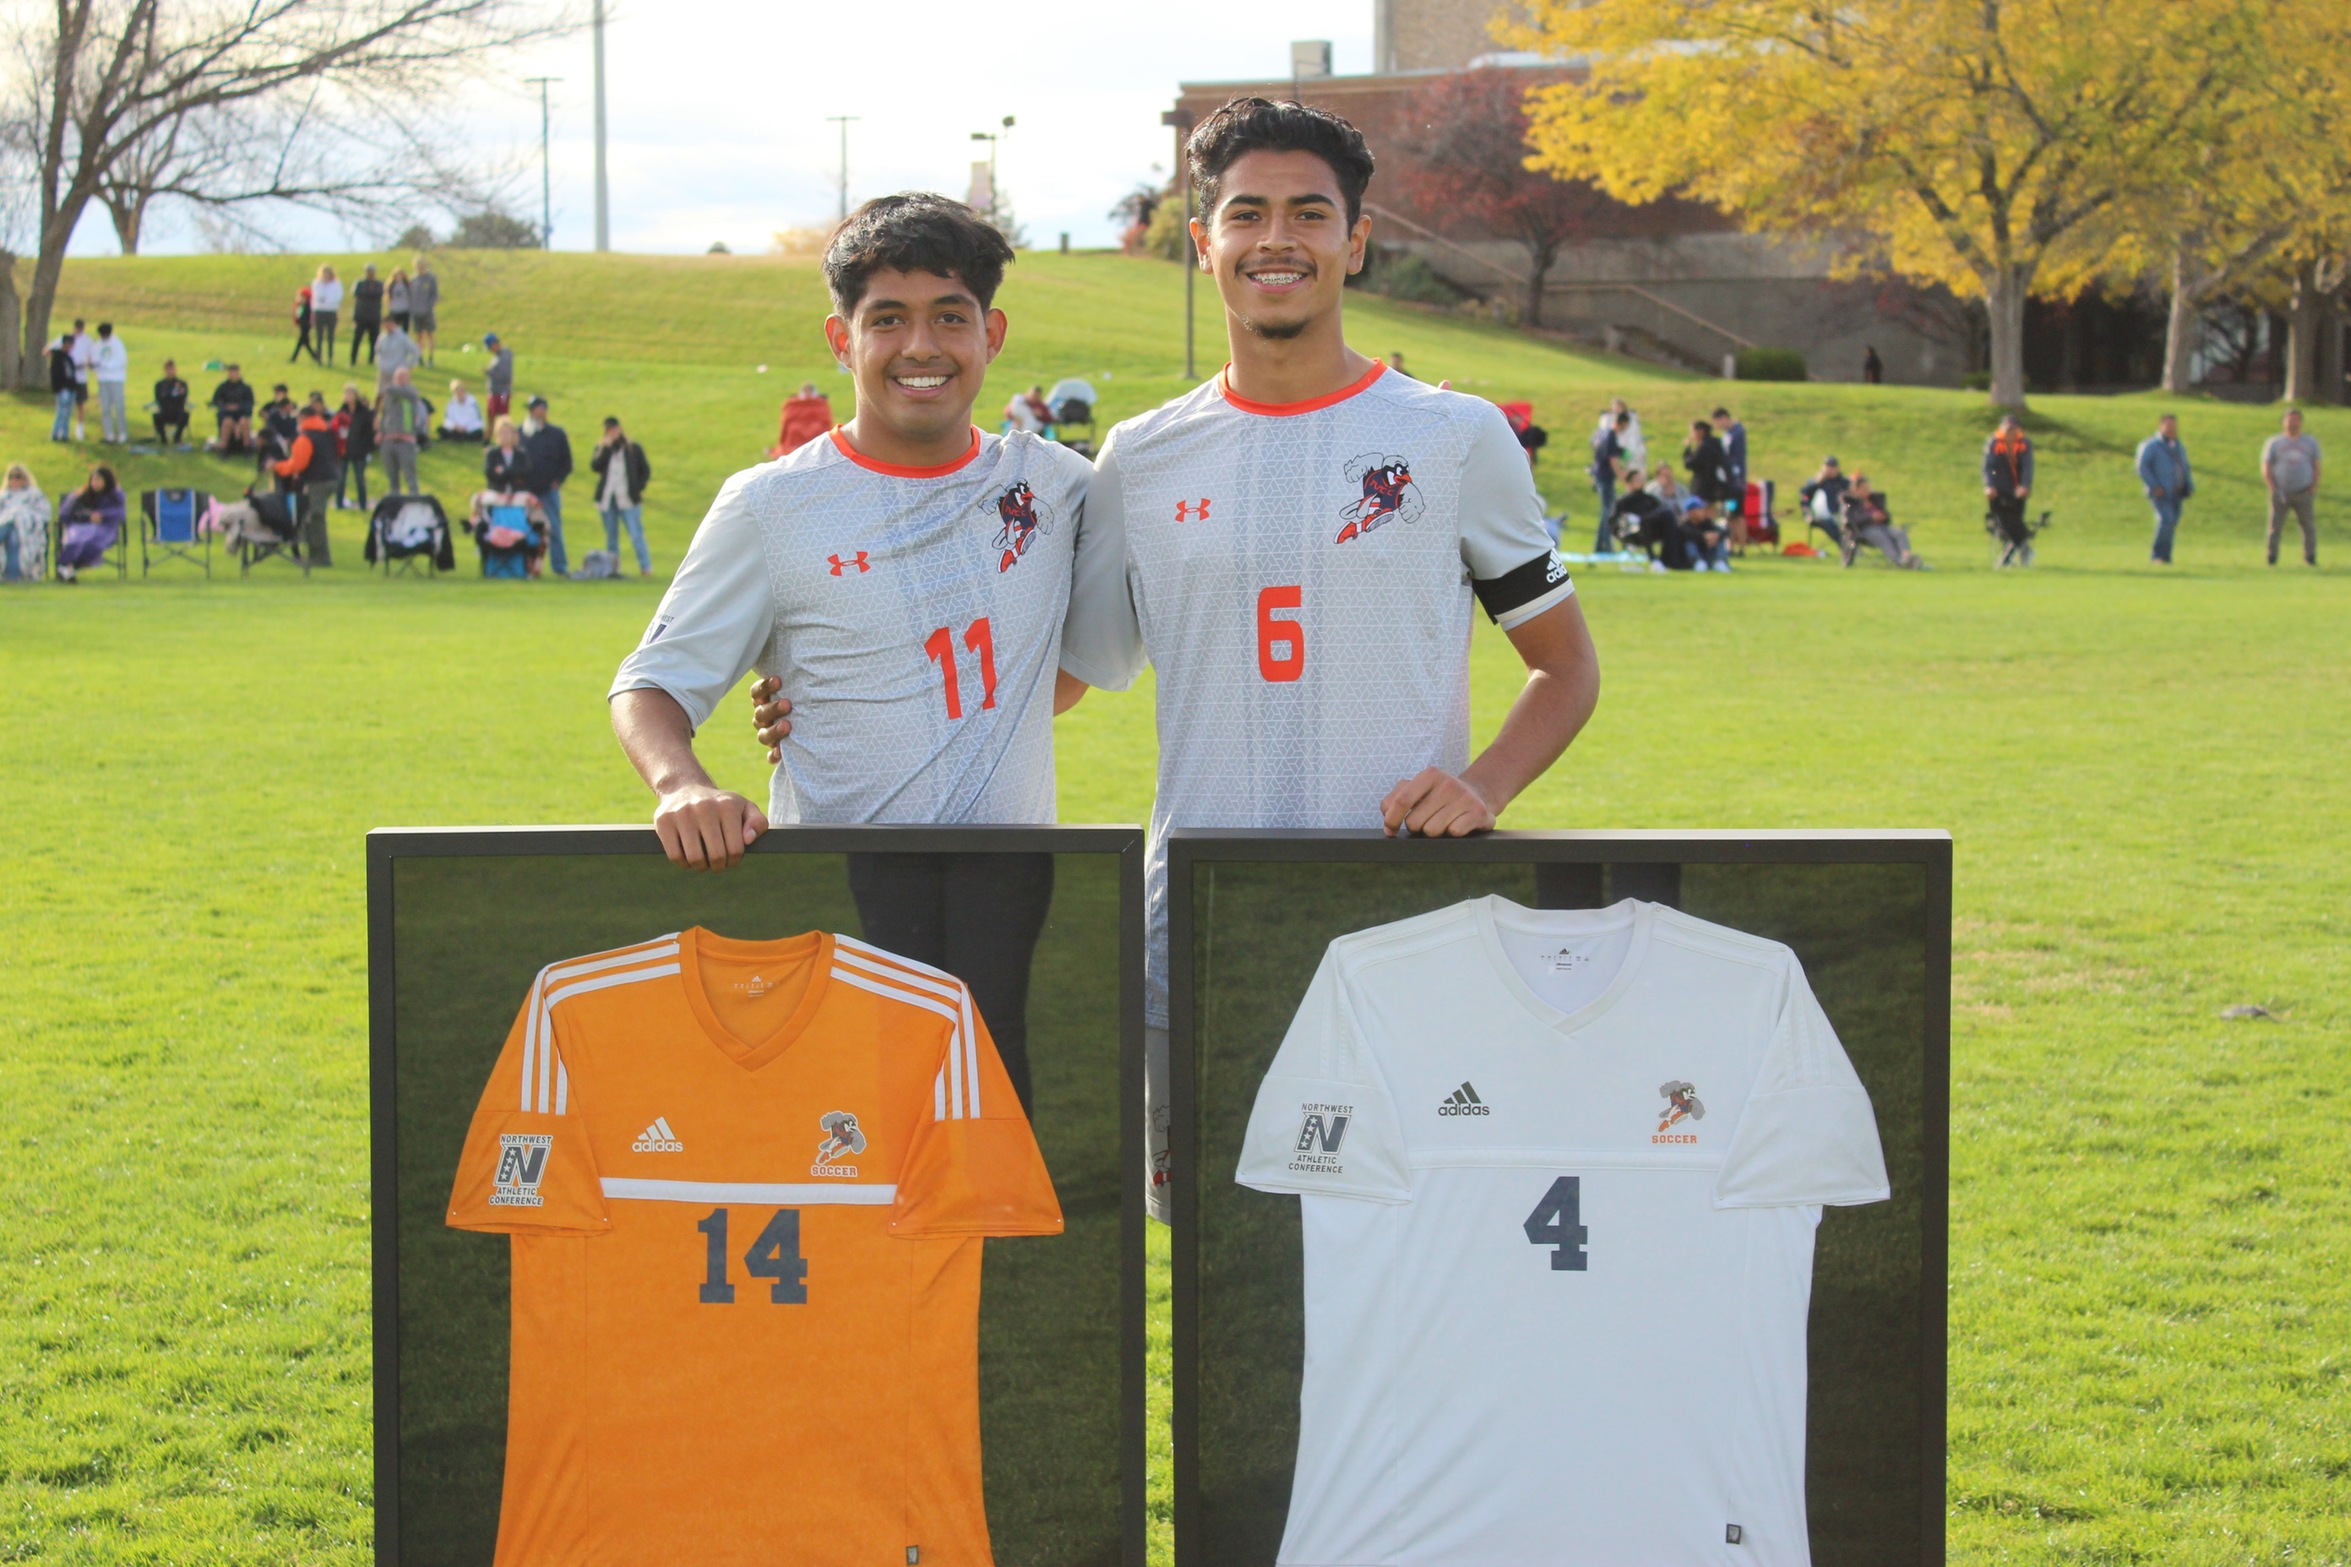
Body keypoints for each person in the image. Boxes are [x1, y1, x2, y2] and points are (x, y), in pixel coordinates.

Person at [1043, 97, 1597, 1215]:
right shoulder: (1139, 459)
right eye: (1244, 214)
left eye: (1309, 212)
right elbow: (1061, 673)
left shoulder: (1452, 438)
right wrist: (839, 706)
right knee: (1210, 1266)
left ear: (1358, 239)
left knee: (1403, 1247)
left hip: (1398, 922)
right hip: (1188, 932)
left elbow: (1564, 666)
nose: (1275, 239)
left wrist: (1481, 783)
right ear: (1202, 244)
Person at [612, 191, 1098, 1120]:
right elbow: (652, 684)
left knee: (989, 1144)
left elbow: (1065, 666)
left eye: (949, 317)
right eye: (887, 319)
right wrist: (681, 785)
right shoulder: (769, 505)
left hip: (1005, 882)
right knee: (843, 1147)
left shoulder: (1058, 487)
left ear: (990, 334)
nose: (921, 346)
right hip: (838, 889)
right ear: (842, 340)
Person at [272, 392, 342, 565]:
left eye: (298, 419)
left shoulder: (306, 437)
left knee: (313, 518)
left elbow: (297, 465)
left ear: (303, 418)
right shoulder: (326, 433)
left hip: (318, 481)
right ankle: (320, 556)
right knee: (317, 517)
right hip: (331, 477)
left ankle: (318, 558)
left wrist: (276, 466)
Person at [589, 414, 653, 576]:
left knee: (636, 533)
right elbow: (595, 466)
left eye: (614, 429)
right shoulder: (603, 448)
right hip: (608, 499)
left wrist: (638, 488)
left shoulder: (633, 448)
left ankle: (645, 566)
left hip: (628, 498)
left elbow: (645, 470)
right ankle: (612, 568)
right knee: (611, 535)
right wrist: (605, 447)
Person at [520, 394, 573, 576]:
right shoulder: (521, 433)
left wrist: (558, 481)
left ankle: (560, 565)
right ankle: (528, 566)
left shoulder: (556, 434)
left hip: (548, 490)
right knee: (525, 529)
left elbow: (566, 462)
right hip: (527, 491)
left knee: (554, 528)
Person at [2261, 407, 2321, 568]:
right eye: (2289, 420)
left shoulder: (2310, 442)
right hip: (2281, 491)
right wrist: (2273, 487)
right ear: (2283, 422)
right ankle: (2272, 558)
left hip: (2304, 491)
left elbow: (2316, 465)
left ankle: (2310, 557)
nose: (2293, 423)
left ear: (2301, 422)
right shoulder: (2275, 442)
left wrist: (2314, 487)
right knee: (2275, 526)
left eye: (2296, 420)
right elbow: (2267, 466)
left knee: (2308, 526)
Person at [2135, 413, 2193, 565]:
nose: (2172, 428)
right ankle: (2158, 556)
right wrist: (2154, 485)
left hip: (2177, 492)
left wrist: (2189, 485)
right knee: (2165, 520)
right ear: (2161, 426)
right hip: (2160, 492)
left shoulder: (2178, 446)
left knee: (2172, 522)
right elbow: (2142, 467)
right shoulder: (2151, 446)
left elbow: (2185, 467)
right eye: (2168, 425)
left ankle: (2166, 556)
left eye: (2174, 425)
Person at [54, 464, 126, 580]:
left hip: (105, 529)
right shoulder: (81, 495)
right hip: (80, 526)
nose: (95, 482)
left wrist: (103, 516)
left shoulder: (115, 496)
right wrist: (88, 516)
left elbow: (120, 513)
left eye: (99, 479)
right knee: (75, 541)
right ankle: (65, 567)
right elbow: (65, 513)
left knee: (93, 545)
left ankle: (68, 569)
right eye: (93, 479)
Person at [1983, 412, 2035, 566]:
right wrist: (1990, 485)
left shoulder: (2024, 444)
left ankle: (2008, 558)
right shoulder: (1994, 443)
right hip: (1998, 491)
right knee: (2002, 524)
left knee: (2015, 523)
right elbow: (1989, 467)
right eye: (2007, 429)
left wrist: (2024, 485)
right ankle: (2022, 551)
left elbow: (2027, 467)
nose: (2010, 433)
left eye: (2013, 429)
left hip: (2018, 491)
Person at [1840, 473, 1925, 568]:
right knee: (1881, 537)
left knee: (1899, 533)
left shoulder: (1875, 500)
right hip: (1863, 530)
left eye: (1868, 488)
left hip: (1882, 527)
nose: (1868, 491)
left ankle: (1906, 557)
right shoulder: (1850, 503)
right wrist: (1871, 518)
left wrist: (1883, 517)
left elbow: (1887, 516)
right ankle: (1899, 562)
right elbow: (1849, 521)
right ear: (1856, 490)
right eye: (1864, 489)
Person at [376, 367, 427, 496]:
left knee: (409, 473)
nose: (400, 379)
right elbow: (384, 414)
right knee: (392, 475)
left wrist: (385, 385)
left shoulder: (411, 393)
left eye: (403, 376)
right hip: (388, 440)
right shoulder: (390, 397)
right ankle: (395, 500)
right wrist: (380, 432)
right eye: (398, 377)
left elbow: (392, 390)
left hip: (405, 440)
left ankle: (415, 498)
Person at [0, 464, 51, 581]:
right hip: (4, 526)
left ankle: (13, 576)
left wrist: (20, 516)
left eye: (18, 476)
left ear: (25, 478)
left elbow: (43, 514)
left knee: (14, 538)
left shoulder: (35, 495)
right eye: (11, 477)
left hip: (26, 531)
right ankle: (13, 576)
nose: (14, 480)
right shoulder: (3, 496)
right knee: (9, 531)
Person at [1589, 409, 1630, 551]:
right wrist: (1623, 476)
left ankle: (1600, 544)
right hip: (1606, 477)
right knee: (1609, 511)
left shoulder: (1602, 432)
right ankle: (1605, 544)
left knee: (1606, 510)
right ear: (1623, 423)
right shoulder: (1611, 435)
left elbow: (1595, 446)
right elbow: (1612, 460)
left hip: (1599, 474)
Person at [334, 382, 376, 511]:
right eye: (346, 393)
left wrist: (368, 449)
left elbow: (370, 432)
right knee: (340, 478)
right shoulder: (341, 411)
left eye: (351, 393)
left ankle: (363, 504)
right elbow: (335, 428)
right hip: (343, 451)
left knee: (360, 478)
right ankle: (339, 503)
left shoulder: (364, 413)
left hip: (359, 451)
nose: (348, 396)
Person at [769, 381, 833, 457]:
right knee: (794, 429)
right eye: (805, 391)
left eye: (809, 391)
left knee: (817, 429)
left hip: (815, 424)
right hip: (797, 426)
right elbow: (788, 418)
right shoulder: (794, 403)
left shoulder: (819, 403)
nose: (807, 393)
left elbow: (824, 419)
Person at [1712, 405, 1747, 537]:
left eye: (1718, 422)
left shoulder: (1738, 433)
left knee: (1736, 515)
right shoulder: (1727, 434)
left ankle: (1740, 547)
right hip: (1725, 482)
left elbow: (1737, 460)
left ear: (1724, 418)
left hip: (1735, 483)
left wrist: (1735, 479)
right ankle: (1729, 544)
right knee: (1726, 514)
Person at [93, 322, 129, 442]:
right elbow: (95, 358)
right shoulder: (97, 344)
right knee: (105, 409)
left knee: (119, 407)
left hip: (116, 379)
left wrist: (105, 365)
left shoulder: (117, 343)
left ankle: (122, 433)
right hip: (103, 380)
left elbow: (122, 361)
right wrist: (95, 365)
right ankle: (109, 434)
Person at [208, 364, 256, 452]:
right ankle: (224, 448)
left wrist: (239, 407)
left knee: (244, 421)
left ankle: (247, 447)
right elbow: (216, 401)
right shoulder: (222, 387)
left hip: (242, 413)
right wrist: (226, 406)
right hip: (226, 414)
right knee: (227, 422)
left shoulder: (246, 388)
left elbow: (250, 403)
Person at [484, 415, 537, 493]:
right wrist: (513, 472)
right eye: (502, 432)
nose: (505, 436)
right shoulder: (492, 453)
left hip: (518, 491)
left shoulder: (521, 454)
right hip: (497, 492)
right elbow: (490, 473)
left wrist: (504, 471)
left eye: (507, 432)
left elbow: (525, 472)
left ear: (513, 434)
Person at [374, 318, 421, 396]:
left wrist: (410, 365)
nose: (387, 326)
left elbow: (414, 350)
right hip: (384, 370)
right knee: (380, 393)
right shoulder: (382, 337)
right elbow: (378, 351)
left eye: (389, 324)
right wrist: (379, 363)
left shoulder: (402, 337)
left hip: (396, 371)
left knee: (395, 395)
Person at [349, 262, 384, 364]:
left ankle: (371, 360)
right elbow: (356, 294)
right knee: (357, 339)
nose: (370, 273)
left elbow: (378, 294)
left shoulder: (379, 284)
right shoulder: (360, 283)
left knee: (374, 340)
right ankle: (353, 359)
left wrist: (367, 294)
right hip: (361, 315)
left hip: (374, 316)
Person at [47, 331, 78, 442]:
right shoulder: (57, 357)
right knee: (61, 412)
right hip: (62, 388)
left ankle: (65, 434)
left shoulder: (68, 358)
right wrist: (58, 388)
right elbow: (55, 373)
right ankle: (55, 434)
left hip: (70, 388)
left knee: (67, 413)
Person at [69, 318, 97, 441]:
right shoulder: (67, 338)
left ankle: (79, 429)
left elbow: (91, 357)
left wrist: (86, 364)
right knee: (66, 402)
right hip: (68, 377)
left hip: (80, 376)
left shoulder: (88, 340)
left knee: (80, 403)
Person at [152, 358, 190, 446]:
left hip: (177, 411)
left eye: (172, 369)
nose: (170, 372)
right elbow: (158, 399)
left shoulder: (181, 384)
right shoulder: (160, 385)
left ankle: (177, 437)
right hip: (165, 411)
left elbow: (183, 397)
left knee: (185, 415)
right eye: (168, 369)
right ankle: (163, 438)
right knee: (156, 416)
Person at [410, 253, 440, 365]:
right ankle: (419, 356)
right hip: (416, 312)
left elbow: (434, 294)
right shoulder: (413, 279)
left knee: (430, 334)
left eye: (422, 265)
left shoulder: (430, 278)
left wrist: (429, 306)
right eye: (418, 266)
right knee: (419, 336)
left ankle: (431, 358)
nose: (420, 268)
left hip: (427, 312)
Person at [311, 264, 343, 365]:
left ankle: (330, 358)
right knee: (319, 336)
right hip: (319, 311)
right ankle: (319, 358)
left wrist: (327, 300)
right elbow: (315, 296)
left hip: (331, 311)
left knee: (330, 336)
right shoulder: (317, 283)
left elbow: (337, 296)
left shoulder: (336, 284)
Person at [482, 333, 514, 425]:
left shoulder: (504, 357)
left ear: (493, 345)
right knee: (491, 414)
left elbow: (505, 376)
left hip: (502, 393)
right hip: (494, 392)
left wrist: (489, 372)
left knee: (502, 416)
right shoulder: (497, 356)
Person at [290, 283, 318, 364]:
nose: (300, 298)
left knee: (301, 341)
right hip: (302, 325)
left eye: (302, 297)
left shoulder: (308, 307)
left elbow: (309, 317)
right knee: (305, 342)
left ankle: (294, 357)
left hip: (306, 326)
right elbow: (298, 315)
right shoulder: (301, 306)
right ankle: (314, 355)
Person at [386, 266, 412, 332]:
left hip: (405, 310)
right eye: (397, 275)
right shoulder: (392, 285)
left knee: (405, 330)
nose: (399, 276)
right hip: (395, 310)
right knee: (395, 330)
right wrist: (390, 308)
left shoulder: (407, 285)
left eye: (400, 275)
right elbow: (389, 298)